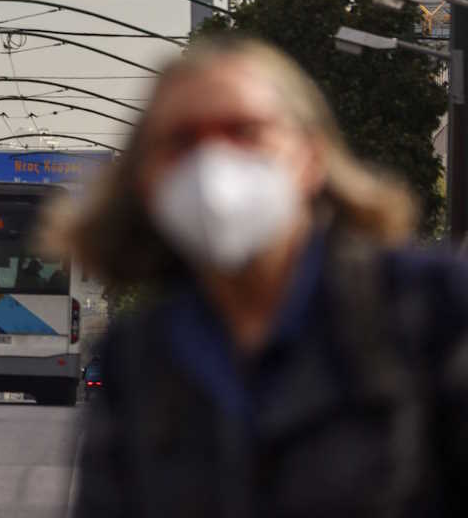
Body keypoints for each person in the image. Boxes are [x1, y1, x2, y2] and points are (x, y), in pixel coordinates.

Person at [55, 36, 468, 517]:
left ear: (312, 157)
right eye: (182, 141)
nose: (213, 165)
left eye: (245, 132)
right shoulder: (138, 355)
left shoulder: (432, 307)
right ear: (146, 178)